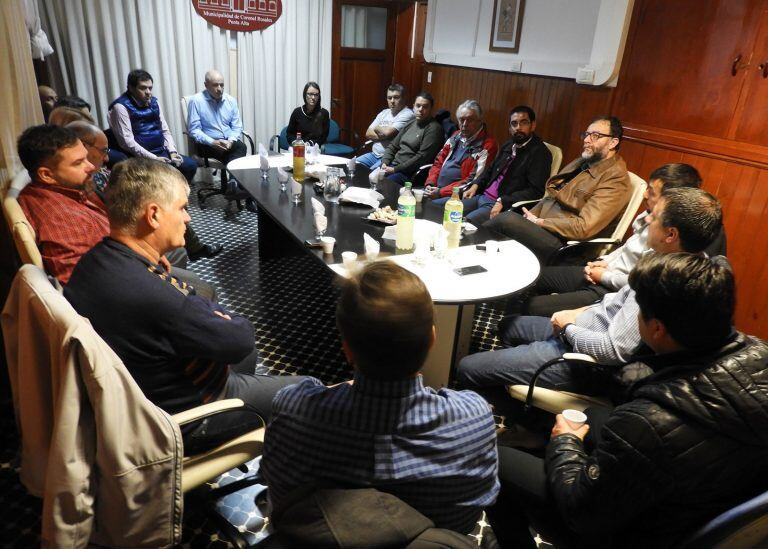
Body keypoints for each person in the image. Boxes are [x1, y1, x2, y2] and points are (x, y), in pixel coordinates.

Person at [486, 253, 768, 548]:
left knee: (497, 460)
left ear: (657, 329)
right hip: (711, 496)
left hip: (639, 531)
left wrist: (565, 443)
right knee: (596, 418)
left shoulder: (645, 422)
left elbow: (581, 511)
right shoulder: (759, 353)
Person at [64, 158, 305, 455]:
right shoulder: (157, 297)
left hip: (142, 398)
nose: (189, 218)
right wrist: (222, 317)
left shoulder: (94, 261)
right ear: (153, 215)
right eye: (181, 208)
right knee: (308, 387)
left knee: (243, 350)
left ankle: (247, 395)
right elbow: (240, 338)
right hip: (182, 421)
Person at [261, 261, 499, 535]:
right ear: (432, 339)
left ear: (347, 349)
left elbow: (275, 490)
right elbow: (476, 509)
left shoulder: (292, 408)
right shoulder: (475, 417)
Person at [457, 187, 723, 416]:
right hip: (586, 323)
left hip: (587, 358)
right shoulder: (669, 257)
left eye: (654, 216)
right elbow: (617, 302)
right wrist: (579, 311)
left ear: (671, 234)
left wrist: (569, 326)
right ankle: (528, 396)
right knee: (508, 326)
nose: (647, 218)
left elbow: (614, 350)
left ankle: (523, 420)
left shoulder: (666, 281)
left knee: (467, 368)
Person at [16, 124, 214, 296]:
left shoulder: (66, 190)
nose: (91, 167)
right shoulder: (60, 218)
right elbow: (84, 287)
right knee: (205, 292)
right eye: (78, 163)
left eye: (86, 158)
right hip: (129, 285)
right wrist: (147, 260)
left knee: (184, 262)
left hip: (129, 264)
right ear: (46, 175)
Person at [523, 163, 703, 316]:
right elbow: (626, 247)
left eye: (652, 192)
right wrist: (602, 261)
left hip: (612, 290)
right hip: (602, 272)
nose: (645, 195)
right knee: (535, 276)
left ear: (670, 200)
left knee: (532, 306)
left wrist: (604, 276)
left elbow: (638, 283)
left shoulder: (668, 240)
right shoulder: (650, 215)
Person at [485, 116, 632, 265]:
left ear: (613, 142)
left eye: (596, 136)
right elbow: (551, 198)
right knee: (499, 238)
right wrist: (529, 218)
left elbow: (585, 227)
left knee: (505, 220)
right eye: (586, 134)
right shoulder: (584, 162)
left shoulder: (615, 179)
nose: (587, 140)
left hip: (566, 245)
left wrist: (540, 222)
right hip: (543, 228)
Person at [453, 105, 552, 225]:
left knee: (462, 223)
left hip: (501, 205)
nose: (518, 128)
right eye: (514, 124)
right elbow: (490, 169)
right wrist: (476, 184)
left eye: (523, 123)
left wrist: (503, 201)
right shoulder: (509, 144)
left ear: (533, 125)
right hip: (482, 196)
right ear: (510, 127)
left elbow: (535, 191)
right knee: (449, 210)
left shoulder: (540, 153)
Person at [108, 69, 198, 183]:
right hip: (139, 157)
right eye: (143, 88)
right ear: (131, 88)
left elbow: (165, 130)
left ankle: (177, 197)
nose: (148, 92)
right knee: (162, 176)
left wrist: (173, 152)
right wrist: (154, 159)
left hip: (161, 152)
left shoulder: (154, 102)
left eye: (150, 88)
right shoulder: (120, 107)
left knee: (190, 165)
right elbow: (127, 142)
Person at [423, 99, 498, 204]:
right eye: (461, 120)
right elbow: (438, 162)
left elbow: (472, 181)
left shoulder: (487, 145)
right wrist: (430, 184)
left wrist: (440, 192)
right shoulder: (456, 135)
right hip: (436, 189)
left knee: (427, 206)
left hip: (459, 195)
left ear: (480, 121)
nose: (464, 124)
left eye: (470, 120)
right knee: (410, 197)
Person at [186, 69, 247, 195]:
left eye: (222, 85)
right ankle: (235, 185)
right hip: (207, 143)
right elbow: (194, 130)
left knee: (241, 146)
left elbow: (237, 127)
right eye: (215, 85)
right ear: (206, 85)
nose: (219, 88)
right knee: (233, 156)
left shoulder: (231, 101)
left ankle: (233, 184)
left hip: (228, 142)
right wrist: (213, 142)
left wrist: (230, 141)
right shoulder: (196, 101)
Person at [379, 92, 444, 185]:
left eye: (425, 107)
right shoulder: (411, 123)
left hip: (408, 173)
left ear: (431, 109)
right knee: (371, 178)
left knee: (383, 185)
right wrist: (384, 163)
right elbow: (393, 146)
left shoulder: (434, 129)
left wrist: (394, 169)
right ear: (413, 107)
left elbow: (421, 158)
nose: (420, 109)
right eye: (418, 106)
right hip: (392, 166)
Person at [356, 84, 414, 170]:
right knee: (352, 166)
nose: (392, 101)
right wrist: (385, 135)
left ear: (404, 98)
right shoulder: (384, 112)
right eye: (389, 98)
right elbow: (368, 133)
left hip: (388, 158)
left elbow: (387, 133)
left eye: (396, 97)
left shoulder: (407, 114)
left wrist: (377, 128)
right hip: (373, 155)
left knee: (370, 175)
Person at [286, 81, 330, 146]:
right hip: (297, 147)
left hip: (315, 148)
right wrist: (295, 142)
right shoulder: (297, 112)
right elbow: (289, 133)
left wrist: (309, 144)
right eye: (310, 94)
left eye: (316, 94)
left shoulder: (324, 113)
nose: (313, 97)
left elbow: (323, 137)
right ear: (305, 95)